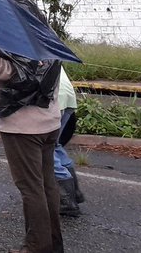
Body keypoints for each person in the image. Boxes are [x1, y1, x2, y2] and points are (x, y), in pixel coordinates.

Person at [0, 0, 64, 253]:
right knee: (47, 183)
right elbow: (27, 12)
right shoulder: (43, 42)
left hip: (22, 130)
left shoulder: (8, 59)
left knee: (31, 188)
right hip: (50, 122)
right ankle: (53, 244)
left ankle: (37, 247)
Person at [54, 70, 84, 217]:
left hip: (53, 98)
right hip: (67, 96)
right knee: (55, 144)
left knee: (44, 149)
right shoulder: (44, 46)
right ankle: (75, 192)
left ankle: (66, 200)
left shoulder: (19, 48)